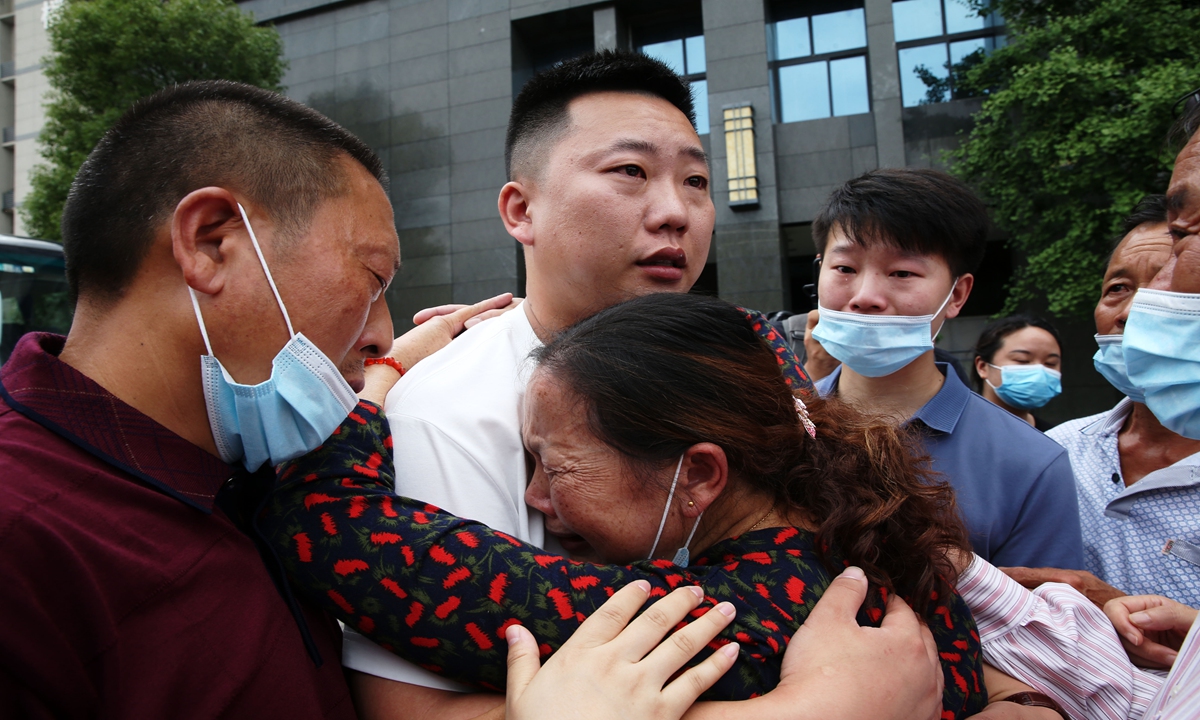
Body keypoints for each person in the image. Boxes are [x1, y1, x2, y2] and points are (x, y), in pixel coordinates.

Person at [261, 291, 1113, 718]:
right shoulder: (884, 561)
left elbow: (327, 519)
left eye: (555, 467)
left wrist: (389, 366)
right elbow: (749, 339)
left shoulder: (698, 625)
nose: (532, 500)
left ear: (700, 473)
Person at [0, 79, 519, 717]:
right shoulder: (24, 538)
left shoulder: (259, 474)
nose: (383, 332)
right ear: (211, 242)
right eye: (373, 277)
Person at [347, 50, 813, 710]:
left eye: (697, 181)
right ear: (520, 210)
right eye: (631, 171)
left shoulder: (745, 366)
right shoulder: (446, 413)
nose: (675, 211)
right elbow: (415, 710)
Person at [807, 168, 1083, 569]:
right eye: (845, 269)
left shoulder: (1032, 464)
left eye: (902, 273)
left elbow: (1045, 622)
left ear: (957, 294)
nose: (865, 297)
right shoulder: (772, 423)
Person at [1003, 196, 1200, 609]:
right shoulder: (1056, 451)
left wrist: (1118, 609)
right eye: (1117, 289)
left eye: (1171, 283)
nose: (1129, 312)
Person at [971, 315, 1063, 431]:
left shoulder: (1057, 439)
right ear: (982, 367)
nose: (1039, 371)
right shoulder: (952, 433)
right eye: (1022, 360)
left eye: (1050, 363)